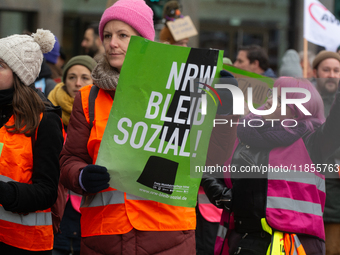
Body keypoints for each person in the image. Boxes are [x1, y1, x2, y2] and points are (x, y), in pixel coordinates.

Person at [59, 0, 196, 254]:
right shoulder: (88, 98)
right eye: (108, 35)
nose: (112, 43)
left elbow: (205, 156)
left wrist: (220, 101)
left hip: (167, 236)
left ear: (144, 40)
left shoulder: (177, 89)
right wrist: (81, 176)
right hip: (104, 237)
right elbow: (70, 160)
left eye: (123, 35)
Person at [202, 77, 340, 255]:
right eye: (271, 94)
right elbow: (211, 171)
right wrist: (225, 197)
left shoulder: (312, 142)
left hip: (294, 245)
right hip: (244, 241)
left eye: (280, 100)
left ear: (297, 112)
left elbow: (336, 125)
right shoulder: (245, 134)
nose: (269, 101)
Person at [0, 29, 64, 254]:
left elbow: (47, 191)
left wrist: (4, 192)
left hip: (24, 244)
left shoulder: (45, 120)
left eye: (1, 65)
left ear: (19, 75)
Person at [49, 55, 96, 255]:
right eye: (71, 77)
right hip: (56, 209)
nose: (77, 83)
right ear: (63, 79)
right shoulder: (48, 110)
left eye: (85, 77)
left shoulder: (98, 113)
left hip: (87, 210)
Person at [312, 50, 340, 255]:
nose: (332, 75)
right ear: (315, 72)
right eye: (327, 70)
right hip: (321, 192)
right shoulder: (306, 103)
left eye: (337, 70)